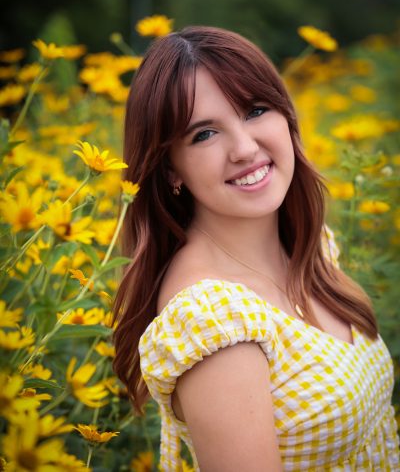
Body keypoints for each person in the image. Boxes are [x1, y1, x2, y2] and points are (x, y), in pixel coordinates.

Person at [112, 26, 399, 471]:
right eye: (205, 134)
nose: (245, 149)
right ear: (171, 170)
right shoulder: (212, 321)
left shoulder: (306, 248)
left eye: (255, 110)